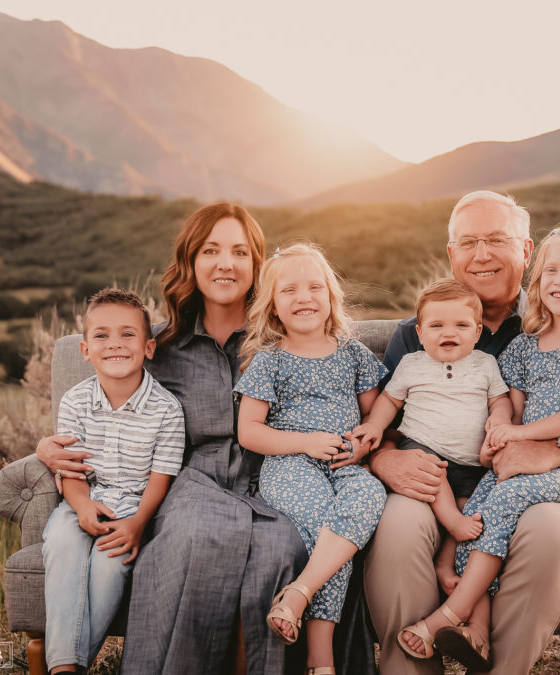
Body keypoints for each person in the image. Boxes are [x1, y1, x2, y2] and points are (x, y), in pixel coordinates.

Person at [364, 191, 560, 674]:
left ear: (527, 252)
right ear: (452, 255)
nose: (481, 254)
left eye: (497, 240)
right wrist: (384, 461)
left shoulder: (555, 320)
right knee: (398, 529)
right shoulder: (417, 332)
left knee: (548, 530)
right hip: (433, 484)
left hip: (536, 486)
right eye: (468, 243)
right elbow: (379, 417)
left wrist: (557, 452)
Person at [36, 203, 340, 675]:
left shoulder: (286, 341)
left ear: (257, 265)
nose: (225, 263)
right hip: (192, 487)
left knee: (280, 551)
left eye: (240, 252)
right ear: (190, 262)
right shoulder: (158, 346)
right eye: (211, 250)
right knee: (197, 535)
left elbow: (346, 400)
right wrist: (44, 448)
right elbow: (102, 406)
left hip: (272, 489)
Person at [234, 243, 388, 675]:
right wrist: (304, 442)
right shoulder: (270, 360)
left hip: (347, 466)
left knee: (367, 497)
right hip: (291, 466)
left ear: (331, 296)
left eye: (314, 287)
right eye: (289, 290)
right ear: (273, 306)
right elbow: (250, 432)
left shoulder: (353, 352)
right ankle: (321, 660)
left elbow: (376, 414)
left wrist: (365, 441)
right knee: (328, 525)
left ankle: (299, 593)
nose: (304, 297)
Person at [41, 289, 186, 674]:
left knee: (109, 565)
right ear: (86, 350)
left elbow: (162, 476)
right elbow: (70, 469)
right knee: (61, 541)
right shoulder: (75, 402)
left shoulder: (167, 409)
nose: (115, 344)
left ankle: (68, 665)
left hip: (134, 509)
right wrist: (83, 506)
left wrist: (137, 524)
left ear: (149, 347)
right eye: (102, 336)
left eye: (127, 334)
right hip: (84, 499)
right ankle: (65, 667)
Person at [351, 279, 511, 597]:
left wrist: (502, 419)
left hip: (471, 462)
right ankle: (450, 520)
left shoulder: (485, 365)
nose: (448, 333)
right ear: (420, 334)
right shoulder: (412, 365)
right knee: (437, 481)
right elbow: (389, 401)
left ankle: (445, 562)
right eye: (436, 325)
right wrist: (375, 426)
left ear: (477, 332)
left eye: (461, 325)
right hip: (423, 447)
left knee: (472, 508)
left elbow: (500, 400)